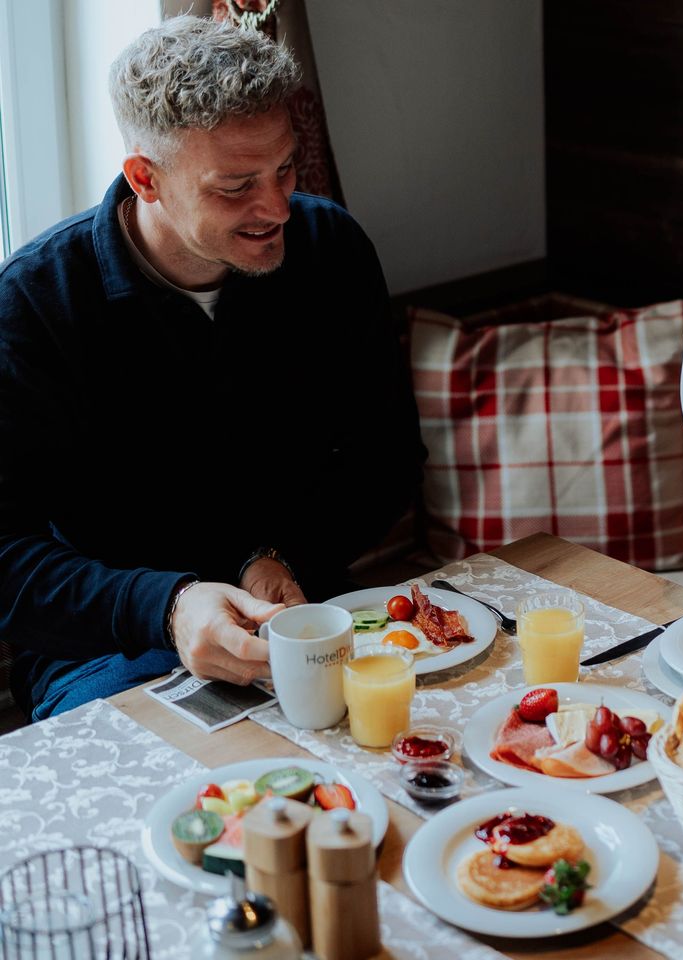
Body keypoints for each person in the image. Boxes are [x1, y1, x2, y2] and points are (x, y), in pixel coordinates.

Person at [0, 16, 426, 720]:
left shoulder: (332, 250)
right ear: (146, 178)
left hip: (307, 610)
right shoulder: (33, 304)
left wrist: (279, 556)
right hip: (109, 651)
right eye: (235, 186)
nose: (278, 208)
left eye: (285, 168)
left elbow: (388, 459)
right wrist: (168, 607)